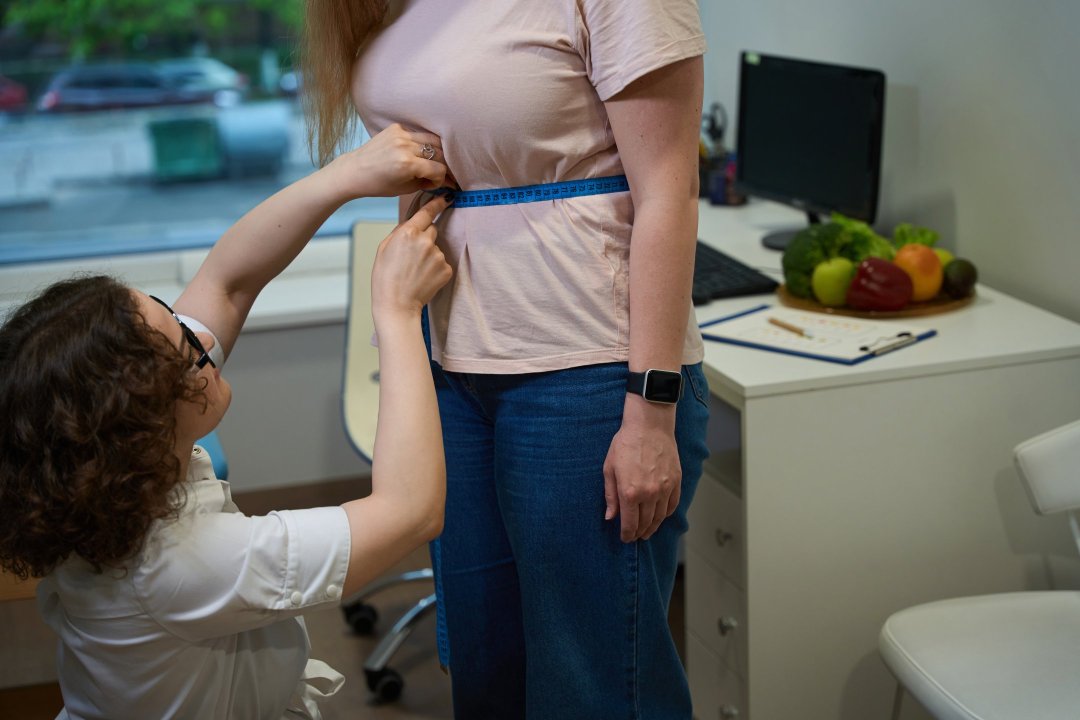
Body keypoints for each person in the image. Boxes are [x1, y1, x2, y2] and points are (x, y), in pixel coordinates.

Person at [301, 1, 711, 717]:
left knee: (592, 682)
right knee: (485, 667)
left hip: (587, 370)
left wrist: (650, 413)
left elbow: (668, 192)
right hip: (452, 363)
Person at [0, 125, 453, 720]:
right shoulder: (183, 564)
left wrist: (347, 175)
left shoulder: (89, 487)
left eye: (173, 316)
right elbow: (410, 512)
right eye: (186, 349)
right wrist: (396, 312)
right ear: (144, 427)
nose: (205, 339)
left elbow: (227, 280)